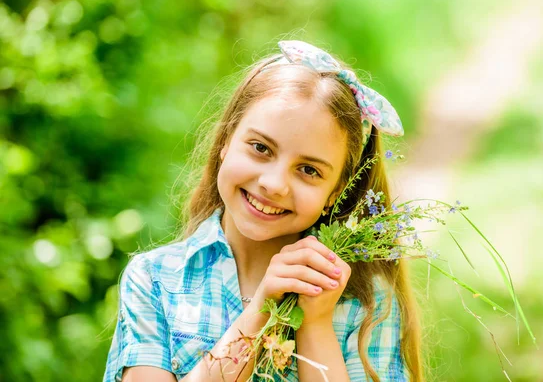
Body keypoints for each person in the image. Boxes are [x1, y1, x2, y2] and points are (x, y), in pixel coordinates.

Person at [103, 40, 423, 382]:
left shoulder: (367, 304)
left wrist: (315, 323)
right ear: (226, 141)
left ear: (336, 193)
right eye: (260, 148)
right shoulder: (155, 280)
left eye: (309, 170)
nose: (274, 184)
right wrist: (259, 310)